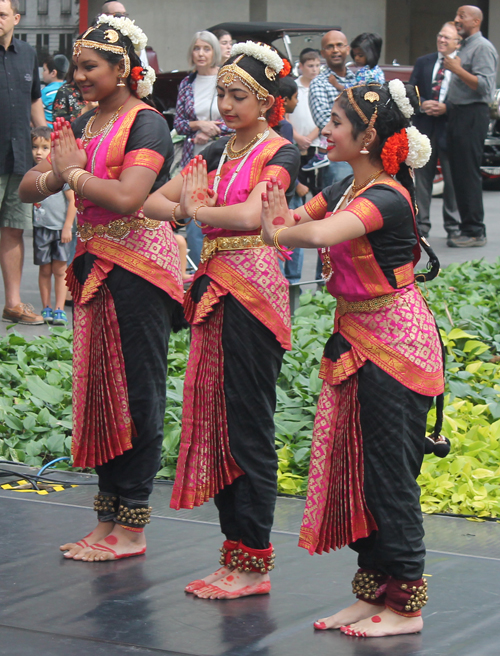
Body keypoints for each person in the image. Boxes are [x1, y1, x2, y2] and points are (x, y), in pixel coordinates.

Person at [260, 80, 444, 637]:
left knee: (390, 478)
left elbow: (312, 232)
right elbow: (290, 220)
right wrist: (203, 210)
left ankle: (406, 607)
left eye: (336, 123)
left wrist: (278, 227)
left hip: (396, 349)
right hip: (355, 342)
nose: (326, 131)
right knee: (360, 474)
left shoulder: (385, 196)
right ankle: (372, 595)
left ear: (367, 135)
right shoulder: (344, 184)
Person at [19, 15, 184, 561]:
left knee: (138, 394)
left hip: (139, 269)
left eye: (91, 67)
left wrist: (70, 177)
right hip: (93, 269)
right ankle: (106, 517)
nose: (79, 76)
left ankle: (132, 526)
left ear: (122, 68)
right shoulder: (86, 122)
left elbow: (129, 197)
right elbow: (27, 184)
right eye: (77, 66)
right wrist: (58, 173)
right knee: (100, 393)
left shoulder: (148, 124)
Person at [144, 41, 300, 600]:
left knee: (247, 426)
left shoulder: (280, 153)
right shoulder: (218, 152)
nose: (227, 105)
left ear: (264, 101)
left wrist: (195, 210)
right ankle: (235, 555)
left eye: (239, 96)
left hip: (254, 298)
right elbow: (155, 202)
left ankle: (253, 562)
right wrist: (188, 205)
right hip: (213, 290)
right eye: (224, 95)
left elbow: (257, 215)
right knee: (216, 423)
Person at [0, 0, 46, 325]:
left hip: (19, 158)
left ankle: (13, 303)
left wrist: (46, 147)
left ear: (15, 18)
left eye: (2, 14)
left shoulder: (28, 54)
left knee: (14, 231)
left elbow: (35, 102)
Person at [173, 30, 232, 265]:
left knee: (220, 211)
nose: (200, 53)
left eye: (206, 48)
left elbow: (237, 120)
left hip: (224, 159)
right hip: (194, 161)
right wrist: (199, 125)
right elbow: (178, 123)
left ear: (215, 51)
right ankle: (200, 268)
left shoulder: (226, 79)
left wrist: (212, 131)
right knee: (195, 214)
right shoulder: (187, 83)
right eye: (197, 48)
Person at [444, 5, 498, 248]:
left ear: (476, 21)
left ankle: (475, 230)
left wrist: (457, 69)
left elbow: (486, 87)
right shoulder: (464, 46)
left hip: (472, 114)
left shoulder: (483, 47)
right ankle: (467, 227)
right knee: (459, 174)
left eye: (461, 17)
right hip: (457, 114)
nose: (456, 20)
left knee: (468, 174)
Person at [410, 22, 461, 239]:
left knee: (452, 181)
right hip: (425, 128)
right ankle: (421, 226)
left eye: (447, 38)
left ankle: (453, 227)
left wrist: (446, 107)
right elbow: (410, 91)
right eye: (440, 36)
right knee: (422, 180)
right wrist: (421, 105)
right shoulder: (424, 62)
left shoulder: (462, 64)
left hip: (451, 129)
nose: (441, 40)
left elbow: (471, 98)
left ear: (458, 43)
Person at [31, 126, 75, 324]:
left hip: (59, 230)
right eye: (35, 147)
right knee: (44, 270)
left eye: (45, 147)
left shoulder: (60, 174)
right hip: (41, 228)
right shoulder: (32, 175)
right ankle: (46, 306)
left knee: (60, 270)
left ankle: (59, 308)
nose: (39, 152)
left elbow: (73, 201)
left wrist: (67, 226)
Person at [304, 30, 355, 182]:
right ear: (323, 53)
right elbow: (325, 121)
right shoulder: (319, 83)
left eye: (339, 45)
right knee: (339, 203)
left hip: (364, 154)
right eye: (330, 47)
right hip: (337, 158)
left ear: (348, 49)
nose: (335, 50)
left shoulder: (359, 78)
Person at [100, 1, 149, 68]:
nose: (122, 18)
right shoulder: (98, 35)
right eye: (118, 14)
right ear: (104, 15)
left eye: (124, 15)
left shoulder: (134, 37)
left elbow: (143, 66)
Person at [41, 54, 69, 127]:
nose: (42, 73)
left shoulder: (46, 92)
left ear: (53, 73)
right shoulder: (69, 89)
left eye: (44, 70)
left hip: (48, 132)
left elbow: (35, 111)